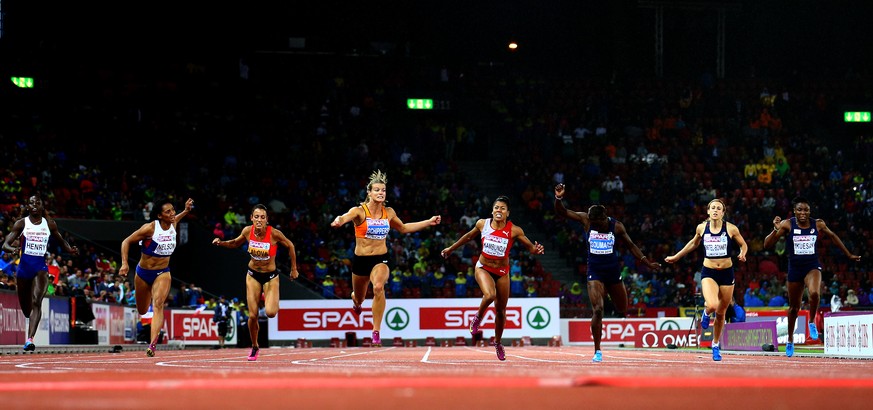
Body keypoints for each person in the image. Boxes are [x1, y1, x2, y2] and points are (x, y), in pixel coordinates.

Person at [331, 170, 441, 347]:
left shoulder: (388, 212)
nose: (381, 193)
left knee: (378, 287)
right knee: (359, 298)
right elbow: (344, 217)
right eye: (377, 190)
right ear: (369, 192)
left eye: (383, 190)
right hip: (360, 261)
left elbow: (404, 228)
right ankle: (356, 301)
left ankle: (376, 332)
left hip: (380, 259)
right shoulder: (359, 211)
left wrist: (428, 221)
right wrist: (339, 220)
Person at [553, 184, 660, 363]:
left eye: (599, 223)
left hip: (613, 271)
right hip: (594, 271)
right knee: (598, 309)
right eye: (593, 224)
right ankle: (597, 350)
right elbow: (563, 212)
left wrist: (647, 263)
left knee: (622, 308)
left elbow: (631, 245)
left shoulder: (616, 226)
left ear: (605, 217)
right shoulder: (586, 220)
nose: (596, 226)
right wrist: (558, 198)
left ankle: (613, 294)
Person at [440, 195, 544, 361]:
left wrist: (536, 249)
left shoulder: (514, 230)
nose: (499, 210)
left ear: (508, 213)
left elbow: (530, 248)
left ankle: (497, 342)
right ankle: (477, 318)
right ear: (492, 210)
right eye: (496, 207)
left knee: (501, 312)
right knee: (489, 295)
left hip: (502, 272)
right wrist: (451, 249)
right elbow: (468, 236)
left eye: (502, 208)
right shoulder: (483, 224)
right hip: (483, 268)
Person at [763, 196, 860, 357]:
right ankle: (790, 340)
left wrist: (848, 254)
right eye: (799, 209)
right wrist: (775, 229)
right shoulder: (788, 224)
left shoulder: (818, 223)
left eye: (806, 210)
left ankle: (811, 321)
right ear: (794, 211)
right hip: (795, 269)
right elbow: (767, 244)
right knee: (794, 308)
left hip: (812, 267)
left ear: (810, 211)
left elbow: (834, 236)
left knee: (815, 293)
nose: (803, 213)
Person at [665, 198, 748, 361]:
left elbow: (743, 244)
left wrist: (743, 253)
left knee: (721, 312)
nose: (716, 210)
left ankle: (715, 345)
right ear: (708, 211)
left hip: (727, 272)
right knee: (712, 305)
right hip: (709, 271)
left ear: (723, 213)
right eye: (713, 208)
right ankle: (705, 312)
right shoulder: (702, 228)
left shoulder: (731, 229)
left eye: (719, 208)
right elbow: (692, 244)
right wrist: (676, 256)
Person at [213, 204, 299, 360]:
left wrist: (294, 269)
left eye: (263, 217)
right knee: (252, 316)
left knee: (271, 313)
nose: (259, 220)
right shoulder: (247, 231)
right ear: (251, 218)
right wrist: (221, 243)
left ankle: (272, 299)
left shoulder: (274, 233)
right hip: (252, 275)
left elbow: (290, 246)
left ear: (267, 220)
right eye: (257, 217)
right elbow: (234, 243)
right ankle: (254, 346)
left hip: (271, 276)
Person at [2, 195, 79, 352]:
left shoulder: (49, 224)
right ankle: (29, 321)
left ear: (42, 207)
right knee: (26, 309)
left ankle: (30, 339)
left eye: (38, 202)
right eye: (31, 203)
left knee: (37, 301)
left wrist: (70, 249)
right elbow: (5, 244)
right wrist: (13, 249)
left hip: (40, 268)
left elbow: (61, 241)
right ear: (28, 207)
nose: (34, 205)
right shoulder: (21, 223)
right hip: (23, 269)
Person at [119, 197, 193, 357]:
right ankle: (151, 333)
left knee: (158, 304)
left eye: (173, 210)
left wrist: (186, 211)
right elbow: (126, 241)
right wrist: (125, 264)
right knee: (142, 309)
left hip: (163, 272)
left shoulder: (173, 224)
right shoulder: (150, 228)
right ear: (160, 216)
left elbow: (177, 218)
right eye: (168, 212)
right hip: (143, 273)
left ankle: (153, 344)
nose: (173, 214)